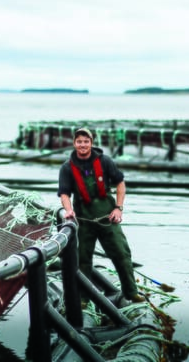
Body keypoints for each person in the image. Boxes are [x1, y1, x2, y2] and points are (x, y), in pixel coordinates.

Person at [58, 127, 145, 304]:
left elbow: (120, 183)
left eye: (86, 141)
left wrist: (118, 208)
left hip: (108, 218)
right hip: (83, 220)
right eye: (79, 141)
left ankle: (131, 292)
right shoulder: (67, 168)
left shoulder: (105, 161)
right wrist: (68, 210)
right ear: (74, 143)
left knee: (121, 254)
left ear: (91, 143)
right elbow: (64, 193)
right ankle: (82, 298)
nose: (83, 145)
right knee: (82, 259)